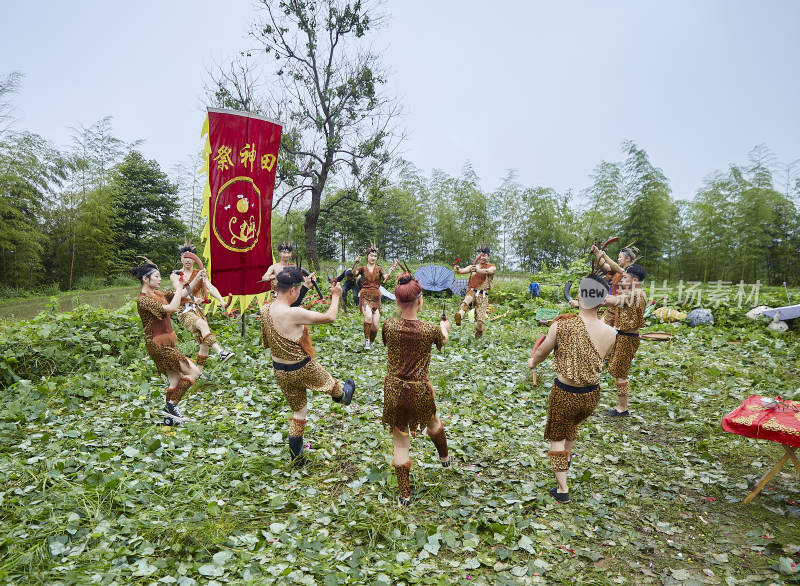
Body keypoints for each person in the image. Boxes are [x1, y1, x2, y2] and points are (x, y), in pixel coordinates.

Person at [528, 274, 617, 503]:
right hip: (591, 396)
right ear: (603, 300)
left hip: (566, 393)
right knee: (572, 426)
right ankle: (565, 463)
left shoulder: (563, 325)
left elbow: (542, 352)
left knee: (557, 437)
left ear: (579, 296)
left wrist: (533, 362)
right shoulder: (611, 333)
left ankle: (562, 489)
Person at [259, 267, 355, 465]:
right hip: (303, 368)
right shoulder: (294, 313)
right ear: (293, 289)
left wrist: (305, 289)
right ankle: (342, 397)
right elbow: (330, 317)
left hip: (281, 372)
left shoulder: (265, 309)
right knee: (334, 386)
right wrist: (336, 296)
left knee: (299, 413)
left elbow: (289, 313)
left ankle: (297, 459)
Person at [382, 272, 452, 506]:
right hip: (420, 391)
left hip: (394, 391)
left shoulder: (389, 326)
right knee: (433, 423)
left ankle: (404, 495)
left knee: (400, 442)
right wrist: (445, 327)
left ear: (397, 301)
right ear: (419, 300)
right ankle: (445, 458)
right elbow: (443, 340)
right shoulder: (430, 330)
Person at [131, 259, 201, 426]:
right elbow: (171, 308)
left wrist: (197, 279)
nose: (159, 279)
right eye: (156, 276)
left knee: (175, 379)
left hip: (166, 342)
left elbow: (182, 295)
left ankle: (169, 419)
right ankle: (171, 406)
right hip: (157, 344)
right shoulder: (144, 300)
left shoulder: (159, 293)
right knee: (194, 372)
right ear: (145, 279)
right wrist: (177, 287)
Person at [174, 242, 234, 367]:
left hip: (198, 310)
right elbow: (182, 294)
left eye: (191, 257)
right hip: (184, 311)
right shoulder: (175, 275)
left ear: (195, 259)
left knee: (204, 344)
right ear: (181, 258)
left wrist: (221, 300)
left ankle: (198, 374)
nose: (188, 260)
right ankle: (221, 352)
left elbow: (210, 288)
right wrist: (196, 281)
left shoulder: (199, 273)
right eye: (185, 257)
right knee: (201, 324)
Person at [602, 264, 648, 417]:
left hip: (627, 338)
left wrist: (594, 295)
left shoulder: (635, 294)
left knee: (621, 373)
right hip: (622, 336)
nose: (622, 279)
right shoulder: (634, 293)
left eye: (626, 277)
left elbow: (614, 301)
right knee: (615, 368)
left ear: (634, 280)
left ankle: (623, 408)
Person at [352, 244, 398, 350]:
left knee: (375, 325)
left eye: (375, 256)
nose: (373, 258)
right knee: (368, 318)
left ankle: (372, 342)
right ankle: (367, 341)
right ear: (367, 256)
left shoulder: (379, 269)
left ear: (377, 257)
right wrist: (356, 262)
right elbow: (354, 273)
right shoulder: (362, 268)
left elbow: (385, 278)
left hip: (376, 297)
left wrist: (392, 268)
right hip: (365, 296)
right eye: (371, 255)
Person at [453, 245, 496, 337]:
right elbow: (462, 271)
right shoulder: (472, 266)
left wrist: (477, 270)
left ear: (488, 256)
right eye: (480, 255)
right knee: (467, 299)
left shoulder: (491, 266)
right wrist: (457, 269)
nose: (482, 257)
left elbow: (489, 271)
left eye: (484, 255)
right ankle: (459, 315)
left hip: (483, 296)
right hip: (472, 291)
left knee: (480, 323)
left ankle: (478, 338)